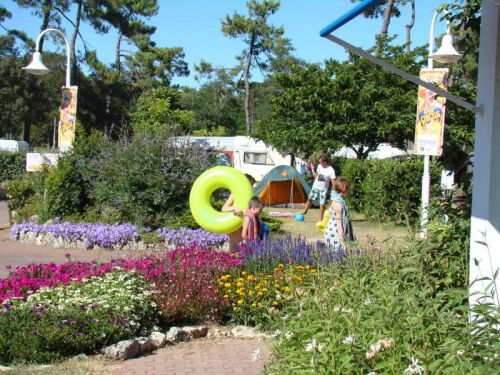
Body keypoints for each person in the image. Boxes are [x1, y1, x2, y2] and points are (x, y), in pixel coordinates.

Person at [221, 174, 256, 252]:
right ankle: (246, 253)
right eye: (251, 185)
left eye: (252, 186)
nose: (251, 188)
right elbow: (224, 208)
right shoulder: (235, 194)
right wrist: (235, 209)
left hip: (243, 223)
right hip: (234, 223)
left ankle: (235, 260)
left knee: (235, 248)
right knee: (239, 246)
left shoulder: (251, 196)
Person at [301, 155, 336, 221]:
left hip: (323, 190)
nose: (319, 163)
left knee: (321, 204)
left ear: (325, 162)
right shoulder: (319, 166)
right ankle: (305, 211)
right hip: (315, 187)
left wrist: (335, 192)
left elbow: (333, 182)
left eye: (321, 162)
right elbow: (317, 174)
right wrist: (314, 183)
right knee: (310, 199)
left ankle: (320, 219)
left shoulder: (331, 170)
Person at [325, 177, 352, 252]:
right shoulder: (339, 206)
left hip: (329, 230)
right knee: (340, 255)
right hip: (336, 234)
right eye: (348, 190)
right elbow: (339, 225)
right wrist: (343, 241)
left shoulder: (334, 199)